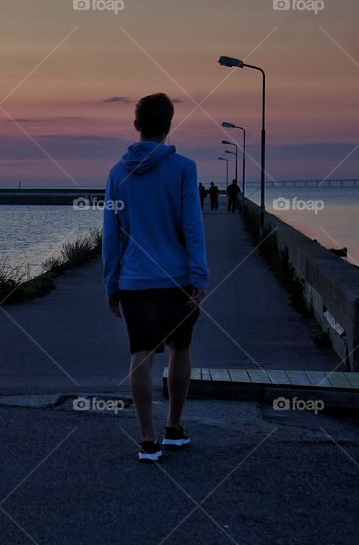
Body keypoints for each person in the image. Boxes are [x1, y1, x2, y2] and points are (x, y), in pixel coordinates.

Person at [103, 92, 208, 462]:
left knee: (140, 354)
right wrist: (200, 274)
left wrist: (111, 284)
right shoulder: (184, 169)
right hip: (178, 279)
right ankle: (174, 428)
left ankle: (147, 439)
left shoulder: (118, 174)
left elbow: (112, 234)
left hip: (135, 281)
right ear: (169, 126)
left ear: (137, 126)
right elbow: (192, 226)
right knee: (181, 348)